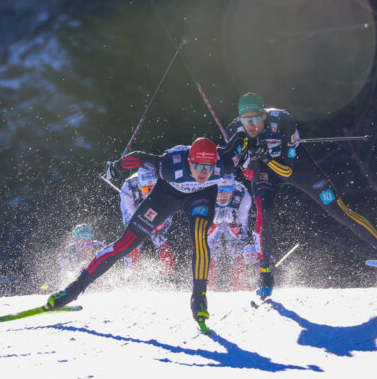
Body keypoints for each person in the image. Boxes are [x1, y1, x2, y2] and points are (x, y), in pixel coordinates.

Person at [227, 92, 377, 299]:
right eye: (246, 120)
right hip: (264, 172)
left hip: (297, 166)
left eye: (256, 118)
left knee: (339, 210)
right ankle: (265, 274)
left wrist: (266, 156)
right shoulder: (235, 130)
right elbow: (246, 172)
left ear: (263, 115)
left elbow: (288, 171)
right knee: (264, 216)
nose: (251, 125)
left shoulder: (283, 121)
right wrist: (250, 161)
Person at [44, 134, 249, 325]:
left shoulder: (225, 164)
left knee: (199, 239)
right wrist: (116, 167)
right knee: (126, 243)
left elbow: (240, 141)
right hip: (166, 195)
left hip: (200, 197)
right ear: (189, 162)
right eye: (197, 166)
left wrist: (249, 149)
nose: (203, 173)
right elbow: (140, 159)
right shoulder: (170, 166)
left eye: (209, 167)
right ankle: (71, 292)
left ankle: (199, 298)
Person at [119, 168, 175, 276]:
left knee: (159, 237)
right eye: (146, 189)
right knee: (133, 238)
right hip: (133, 208)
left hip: (160, 205)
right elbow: (135, 217)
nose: (149, 193)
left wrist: (159, 221)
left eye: (153, 189)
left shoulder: (166, 184)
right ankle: (131, 276)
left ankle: (169, 275)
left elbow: (169, 208)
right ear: (139, 186)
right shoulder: (127, 189)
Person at [206, 174, 254, 291]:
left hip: (234, 220)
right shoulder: (205, 192)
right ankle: (206, 287)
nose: (223, 194)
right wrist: (214, 225)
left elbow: (240, 233)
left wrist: (232, 224)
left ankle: (240, 287)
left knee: (237, 247)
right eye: (219, 189)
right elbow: (203, 233)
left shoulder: (243, 195)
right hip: (212, 221)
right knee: (208, 248)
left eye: (227, 189)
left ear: (233, 188)